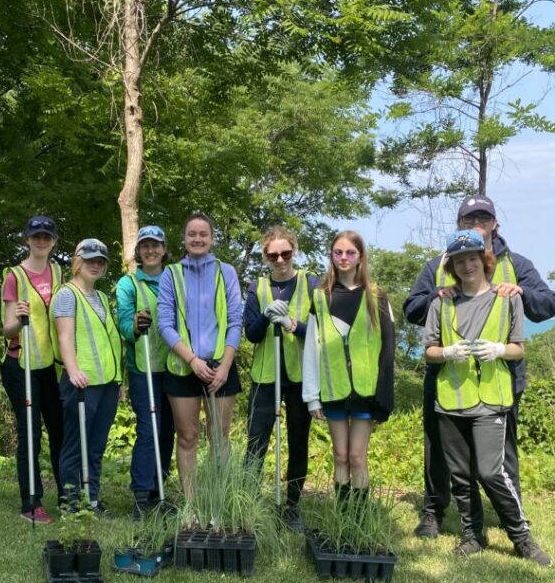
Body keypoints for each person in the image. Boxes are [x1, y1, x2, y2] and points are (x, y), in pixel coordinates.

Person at [404, 194, 555, 538]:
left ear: (495, 224)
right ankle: (434, 512)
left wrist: (521, 291)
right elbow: (412, 309)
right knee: (441, 451)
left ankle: (510, 517)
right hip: (446, 377)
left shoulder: (516, 263)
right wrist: (435, 296)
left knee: (502, 456)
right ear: (459, 225)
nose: (476, 224)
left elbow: (547, 306)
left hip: (500, 378)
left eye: (483, 219)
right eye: (469, 220)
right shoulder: (437, 266)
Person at [302, 230, 395, 507]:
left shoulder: (376, 296)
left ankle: (360, 518)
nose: (344, 258)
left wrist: (384, 397)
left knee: (357, 456)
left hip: (366, 392)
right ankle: (342, 517)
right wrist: (311, 396)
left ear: (360, 258)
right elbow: (311, 347)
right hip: (334, 391)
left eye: (350, 253)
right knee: (340, 455)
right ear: (331, 256)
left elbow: (388, 349)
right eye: (338, 252)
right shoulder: (321, 297)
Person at [156, 211, 242, 500]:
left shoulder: (226, 272)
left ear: (212, 238)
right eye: (192, 234)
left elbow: (234, 320)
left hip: (221, 369)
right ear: (184, 239)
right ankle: (192, 504)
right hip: (183, 368)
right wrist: (192, 359)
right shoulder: (171, 274)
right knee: (188, 437)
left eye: (203, 234)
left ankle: (219, 500)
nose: (197, 239)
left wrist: (226, 365)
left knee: (219, 438)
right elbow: (165, 324)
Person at [243, 226, 318, 529]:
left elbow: (317, 332)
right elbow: (251, 333)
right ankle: (246, 503)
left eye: (285, 253)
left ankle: (292, 507)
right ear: (265, 256)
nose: (280, 259)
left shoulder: (310, 284)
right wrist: (265, 316)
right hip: (265, 376)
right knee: (256, 443)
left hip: (299, 376)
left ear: (293, 251)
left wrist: (291, 323)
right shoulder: (257, 288)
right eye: (273, 254)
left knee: (298, 442)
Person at [0, 215, 64, 525]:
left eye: (47, 237)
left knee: (60, 430)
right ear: (27, 239)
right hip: (20, 365)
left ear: (53, 241)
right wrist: (19, 316)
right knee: (30, 434)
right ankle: (31, 501)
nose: (41, 241)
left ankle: (68, 493)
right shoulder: (14, 275)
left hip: (49, 365)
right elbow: (7, 328)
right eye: (36, 236)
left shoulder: (57, 271)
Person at [51, 238, 122, 511]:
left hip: (106, 383)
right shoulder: (67, 294)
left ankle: (91, 498)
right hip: (81, 382)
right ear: (77, 261)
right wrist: (73, 370)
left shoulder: (102, 297)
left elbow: (109, 340)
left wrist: (118, 380)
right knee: (74, 444)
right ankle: (70, 501)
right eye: (90, 259)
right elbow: (65, 337)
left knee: (95, 445)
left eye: (100, 261)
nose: (95, 265)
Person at [115, 225, 176, 519]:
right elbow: (124, 327)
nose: (151, 250)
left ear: (164, 249)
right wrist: (136, 327)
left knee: (167, 431)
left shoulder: (175, 280)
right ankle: (141, 495)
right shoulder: (128, 285)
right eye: (145, 246)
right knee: (148, 430)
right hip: (144, 369)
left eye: (156, 245)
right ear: (138, 251)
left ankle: (158, 490)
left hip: (175, 366)